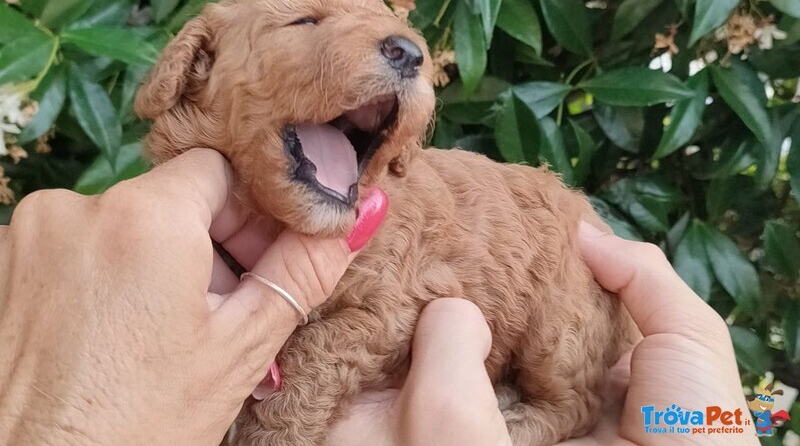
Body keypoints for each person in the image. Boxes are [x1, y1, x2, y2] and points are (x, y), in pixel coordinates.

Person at [0, 149, 756, 446]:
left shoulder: (666, 408)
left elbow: (374, 317)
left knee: (559, 352)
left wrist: (713, 422)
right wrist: (717, 423)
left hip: (553, 337)